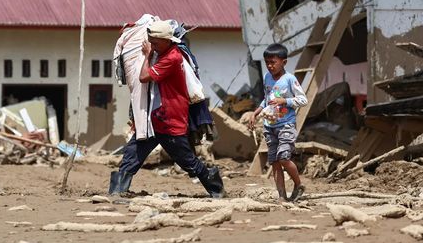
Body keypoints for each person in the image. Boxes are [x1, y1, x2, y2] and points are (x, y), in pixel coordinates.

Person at [108, 20, 224, 198]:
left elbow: (143, 77)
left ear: (167, 40)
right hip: (155, 118)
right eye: (151, 43)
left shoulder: (172, 58)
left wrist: (147, 55)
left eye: (155, 43)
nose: (152, 46)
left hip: (170, 119)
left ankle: (215, 186)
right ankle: (117, 190)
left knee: (186, 160)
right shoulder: (163, 53)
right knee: (134, 151)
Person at [242, 43, 308, 202]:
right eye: (267, 63)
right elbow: (267, 99)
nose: (270, 66)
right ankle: (281, 196)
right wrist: (256, 113)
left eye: (273, 62)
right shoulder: (267, 77)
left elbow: (303, 100)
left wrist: (284, 101)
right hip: (269, 126)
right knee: (275, 162)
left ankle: (298, 184)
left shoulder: (290, 79)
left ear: (284, 62)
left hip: (286, 125)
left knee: (284, 158)